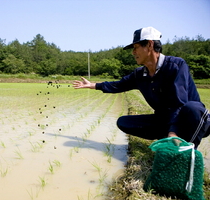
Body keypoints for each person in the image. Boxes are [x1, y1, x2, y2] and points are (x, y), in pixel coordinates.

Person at [73, 27, 210, 148]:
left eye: (136, 47)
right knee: (124, 122)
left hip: (188, 120)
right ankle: (166, 139)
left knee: (193, 108)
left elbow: (178, 102)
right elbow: (119, 85)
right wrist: (93, 85)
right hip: (165, 120)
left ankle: (184, 149)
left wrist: (173, 131)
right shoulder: (140, 74)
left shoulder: (175, 65)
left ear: (149, 45)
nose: (133, 52)